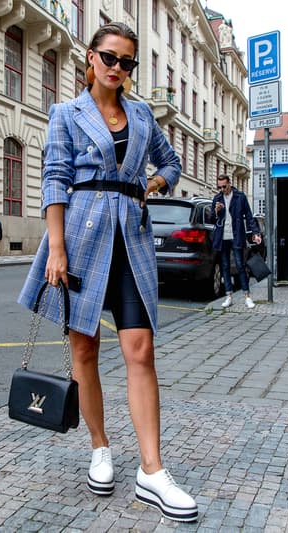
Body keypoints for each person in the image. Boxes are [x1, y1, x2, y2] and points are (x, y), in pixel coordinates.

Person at [17, 22, 198, 523]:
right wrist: (56, 249)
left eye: (127, 62)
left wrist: (153, 184)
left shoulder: (141, 115)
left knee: (140, 348)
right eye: (110, 58)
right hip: (79, 238)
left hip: (132, 239)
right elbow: (54, 179)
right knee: (84, 347)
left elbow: (173, 160)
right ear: (90, 59)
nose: (118, 68)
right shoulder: (65, 113)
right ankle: (100, 446)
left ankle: (152, 471)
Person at [210, 174, 261, 309]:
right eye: (219, 187)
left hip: (236, 235)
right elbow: (212, 219)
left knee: (240, 265)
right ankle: (228, 296)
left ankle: (247, 296)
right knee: (225, 266)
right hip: (222, 237)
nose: (222, 189)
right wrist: (216, 211)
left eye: (224, 186)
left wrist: (255, 233)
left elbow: (249, 216)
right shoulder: (217, 198)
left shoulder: (240, 197)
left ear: (229, 184)